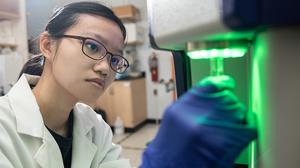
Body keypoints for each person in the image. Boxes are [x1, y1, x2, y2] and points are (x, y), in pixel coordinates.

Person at [0, 1, 257, 168]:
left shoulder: (94, 126)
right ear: (47, 45)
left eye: (115, 58)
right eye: (92, 46)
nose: (105, 67)